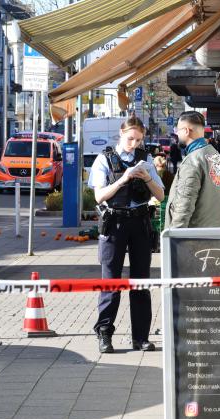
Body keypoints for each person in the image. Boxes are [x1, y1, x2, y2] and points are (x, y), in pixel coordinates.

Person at [88, 116, 165, 353]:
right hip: (115, 223)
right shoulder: (105, 159)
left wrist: (148, 177)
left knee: (140, 281)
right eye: (130, 138)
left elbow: (160, 195)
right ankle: (104, 334)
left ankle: (140, 337)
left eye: (139, 140)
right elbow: (99, 196)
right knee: (111, 281)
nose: (134, 143)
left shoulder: (146, 159)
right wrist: (123, 179)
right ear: (121, 134)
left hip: (140, 222)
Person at [165, 111, 220, 228]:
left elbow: (184, 205)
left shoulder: (192, 161)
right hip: (212, 231)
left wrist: (174, 237)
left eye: (178, 130)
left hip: (193, 238)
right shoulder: (215, 155)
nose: (177, 134)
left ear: (186, 131)